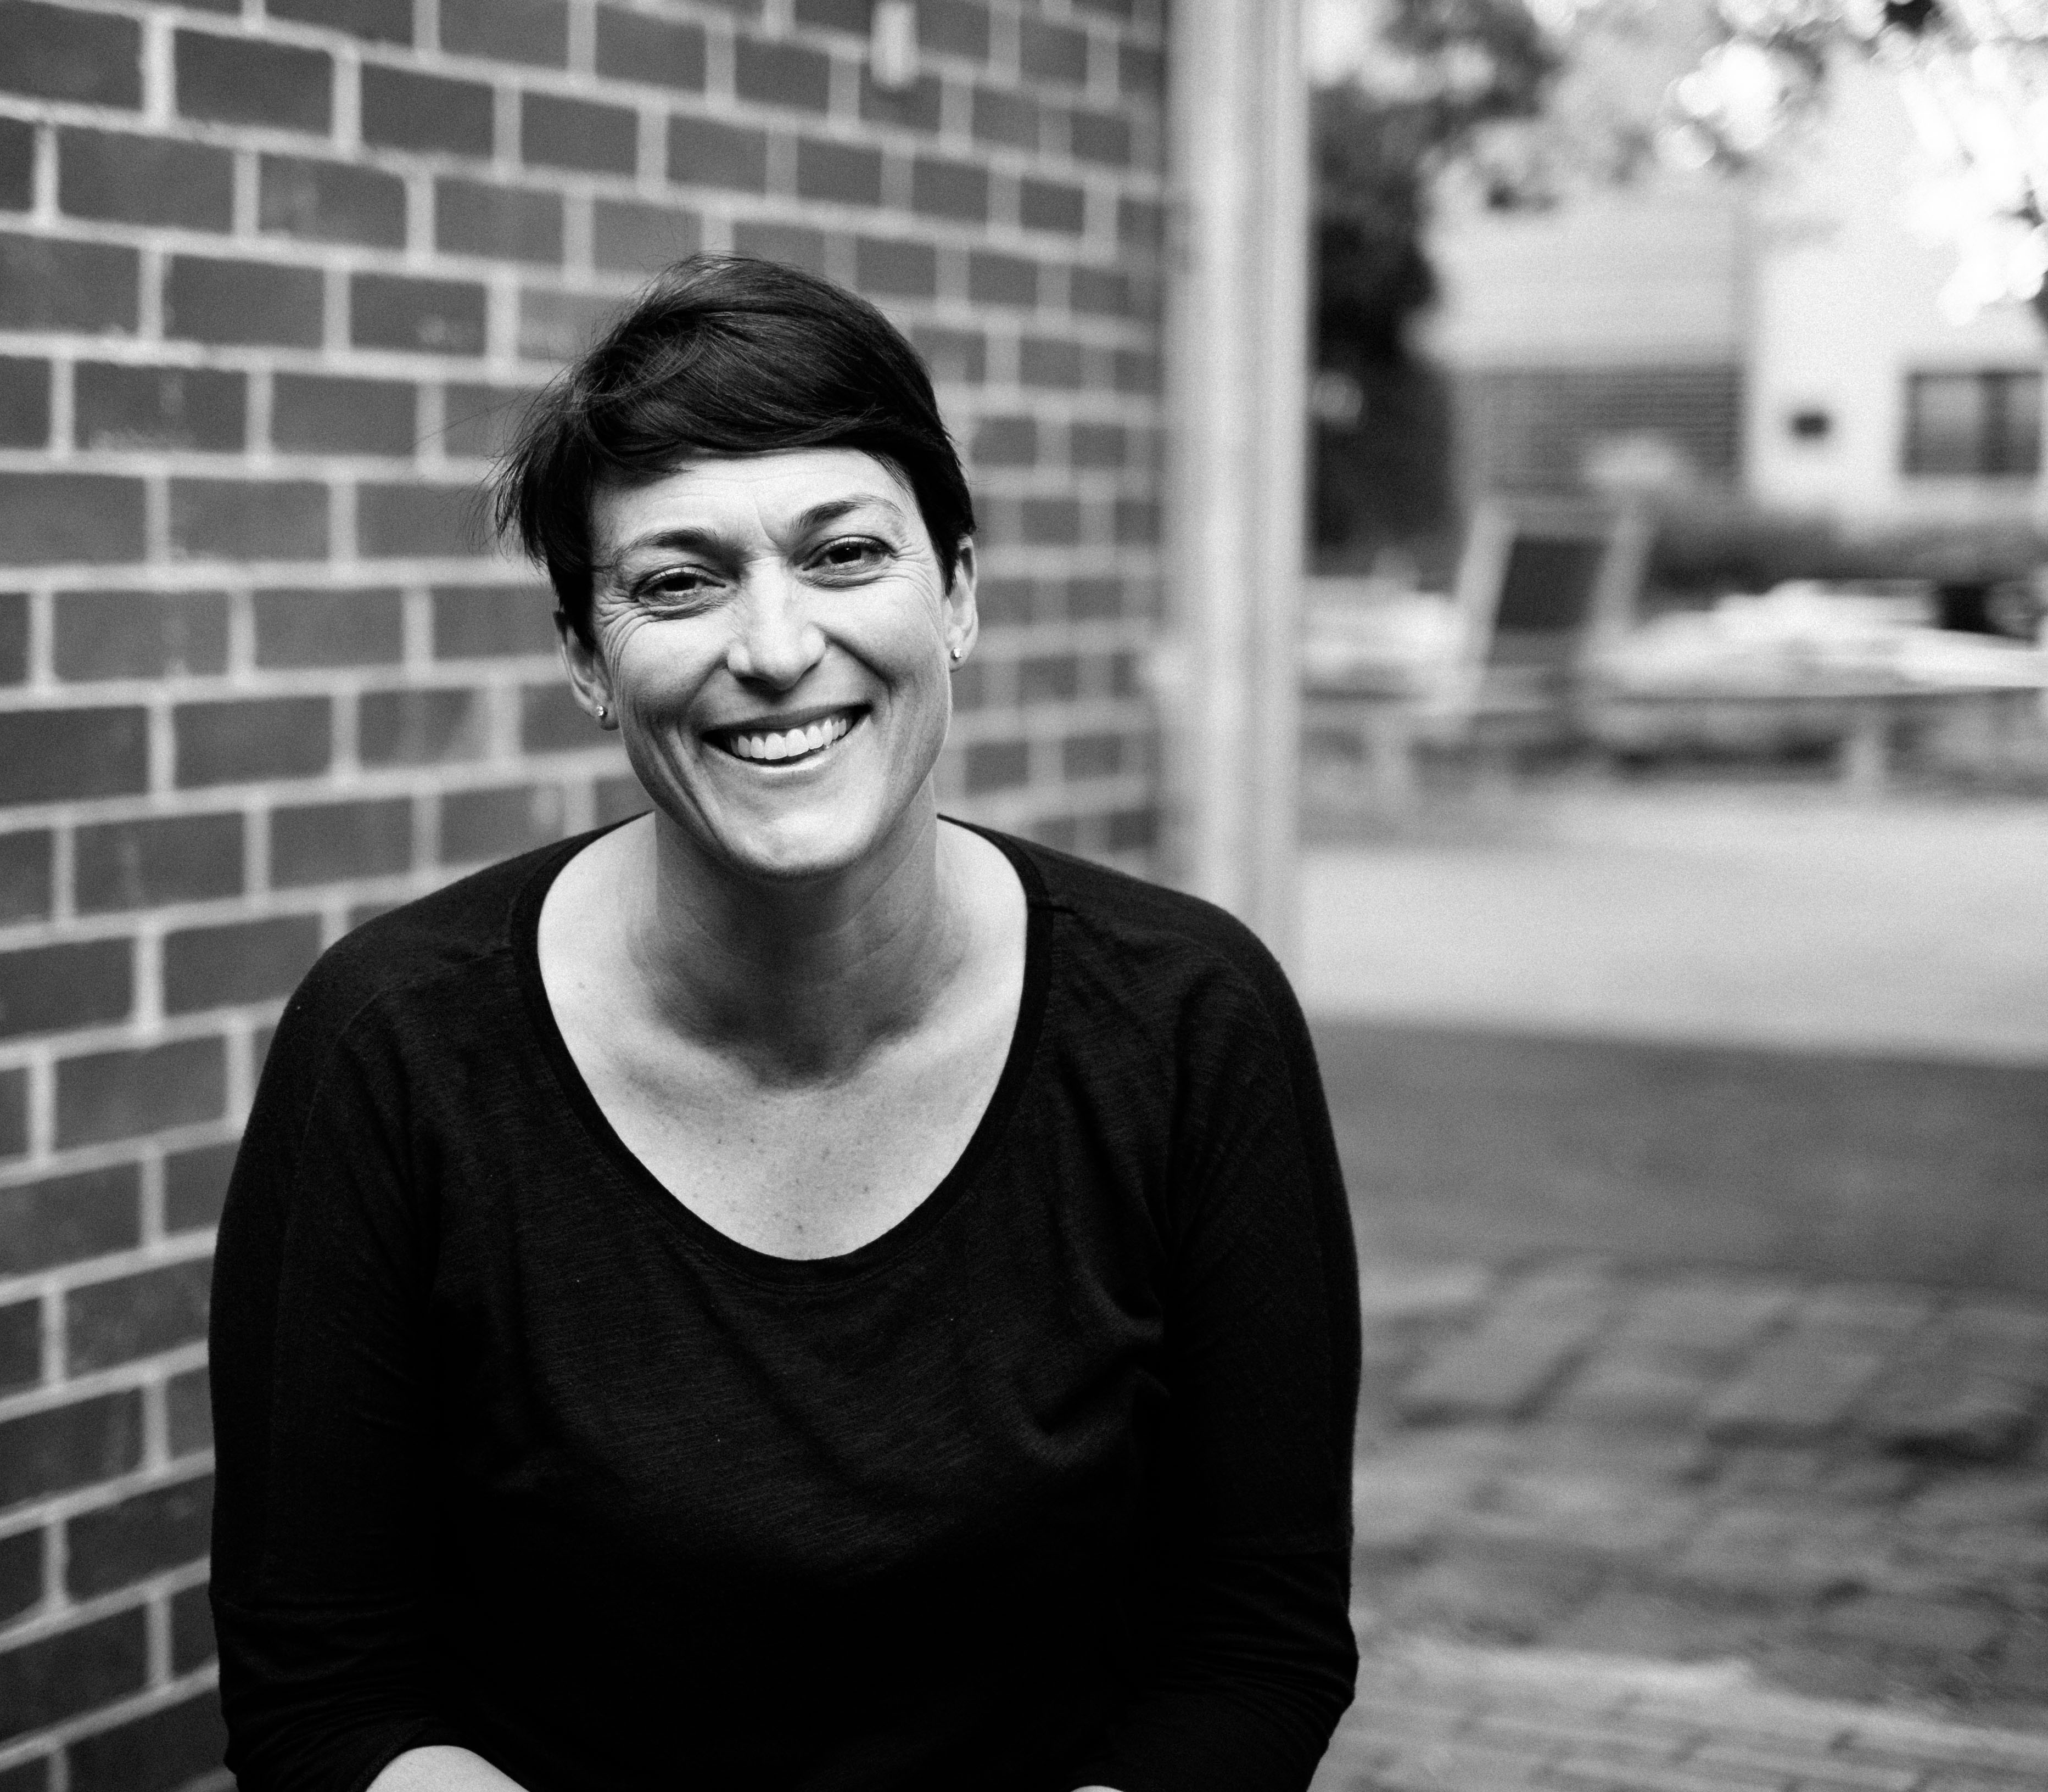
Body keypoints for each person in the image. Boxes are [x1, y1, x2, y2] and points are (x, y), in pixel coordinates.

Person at [208, 254, 1361, 1792]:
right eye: (679, 582)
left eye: (845, 554)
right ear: (586, 659)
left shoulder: (1187, 1024)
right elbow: (324, 1695)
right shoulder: (394, 1049)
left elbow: (1256, 1644)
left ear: (958, 594)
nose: (772, 647)